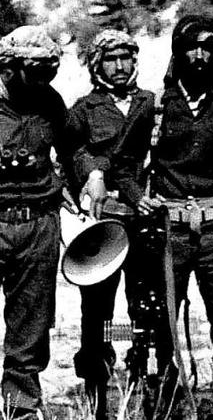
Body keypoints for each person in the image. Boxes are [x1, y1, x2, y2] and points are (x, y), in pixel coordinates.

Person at [137, 16, 213, 389]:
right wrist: (136, 198)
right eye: (191, 47)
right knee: (157, 321)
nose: (200, 56)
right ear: (178, 52)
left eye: (208, 48)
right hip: (167, 231)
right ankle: (163, 400)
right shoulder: (155, 105)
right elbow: (122, 163)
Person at [66, 30, 155, 420]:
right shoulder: (83, 110)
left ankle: (144, 388)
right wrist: (93, 174)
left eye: (126, 57)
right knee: (99, 313)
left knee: (145, 309)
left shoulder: (151, 102)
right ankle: (98, 393)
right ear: (96, 65)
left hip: (146, 220)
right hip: (104, 225)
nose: (119, 66)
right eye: (110, 59)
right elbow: (71, 153)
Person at [0, 26, 75, 419]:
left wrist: (86, 177)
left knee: (30, 328)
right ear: (9, 68)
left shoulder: (50, 101)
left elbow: (72, 148)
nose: (44, 81)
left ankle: (21, 409)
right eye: (35, 73)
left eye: (50, 72)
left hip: (38, 225)